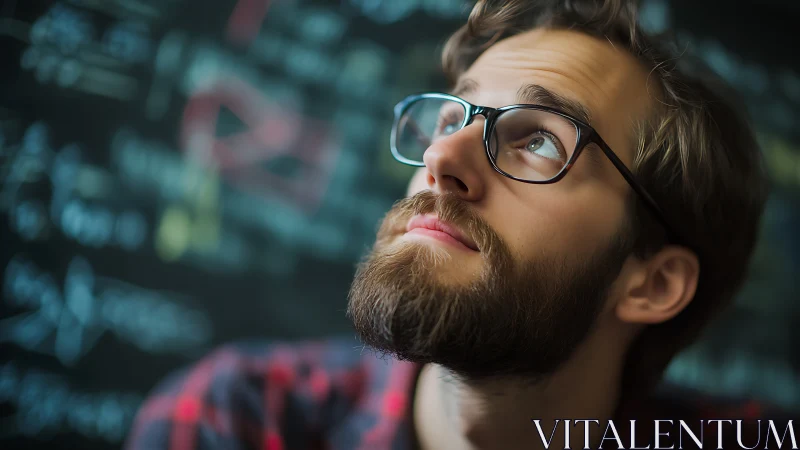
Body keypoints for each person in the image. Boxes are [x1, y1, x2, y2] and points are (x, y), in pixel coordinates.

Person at [125, 0, 770, 449]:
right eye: (448, 121)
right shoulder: (228, 424)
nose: (440, 158)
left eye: (539, 142)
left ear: (652, 284)